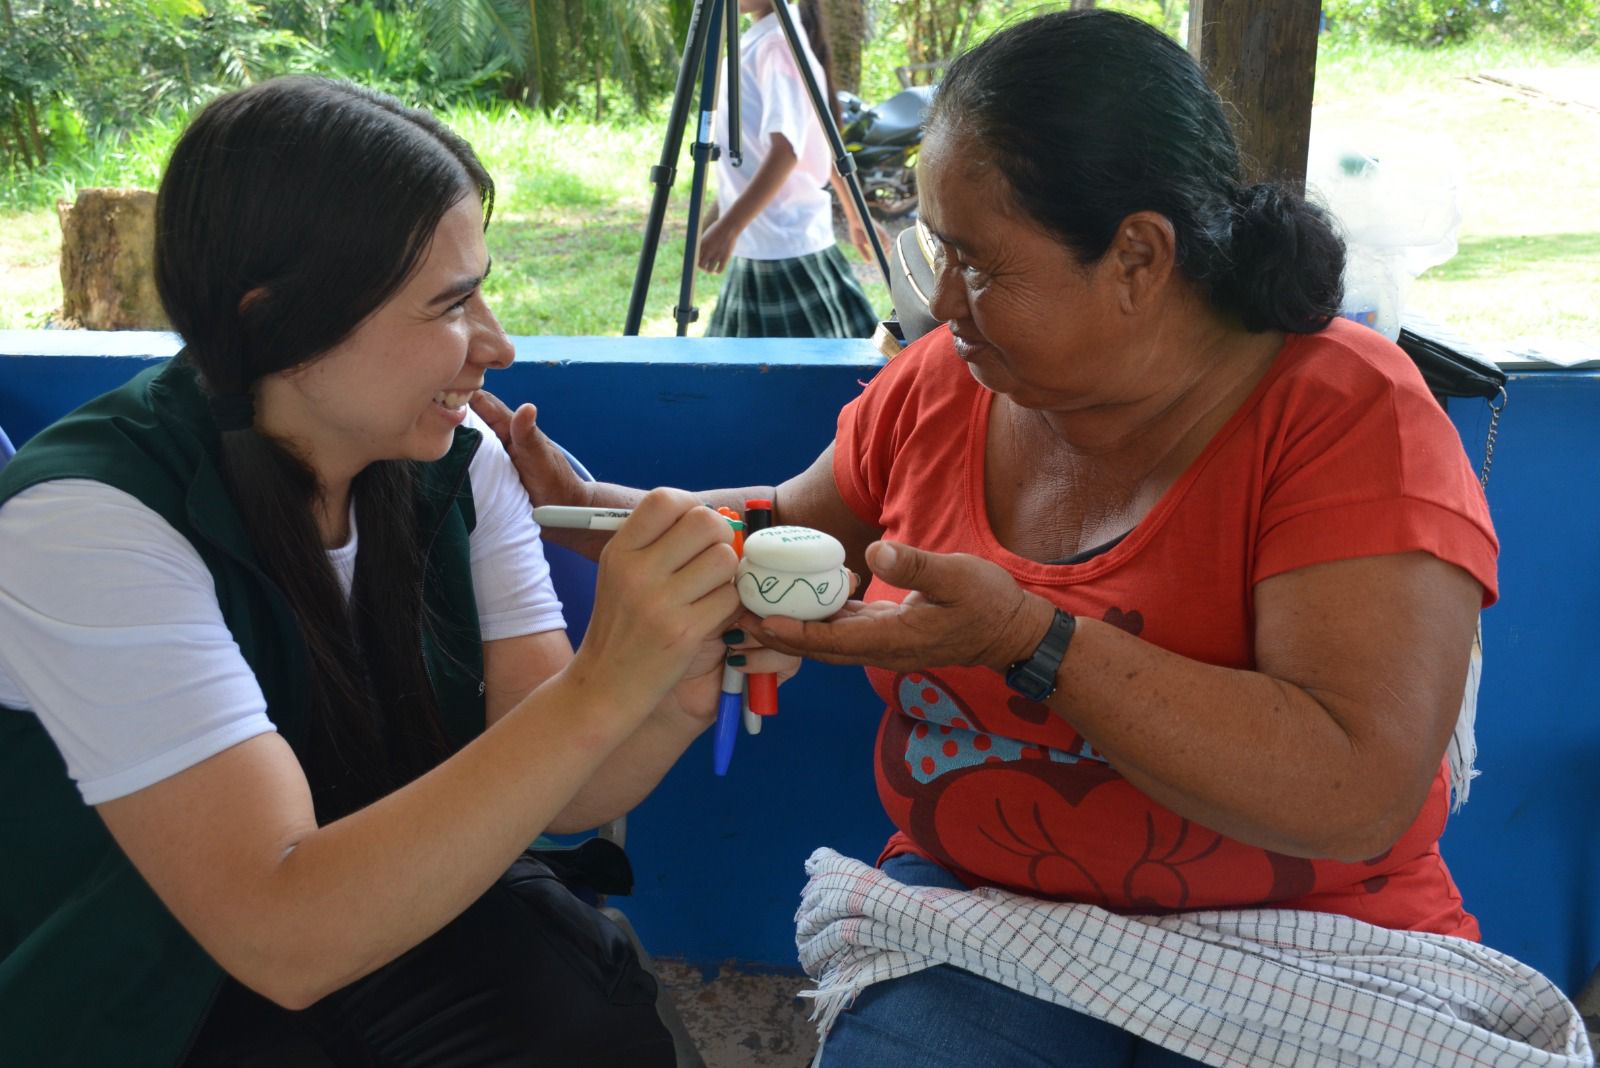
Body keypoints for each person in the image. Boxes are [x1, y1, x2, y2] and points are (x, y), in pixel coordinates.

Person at [480, 11, 1593, 1067]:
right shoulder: (947, 383)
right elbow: (784, 532)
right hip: (982, 929)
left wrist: (1027, 637)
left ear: (1139, 259)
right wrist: (587, 505)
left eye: (983, 264)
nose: (944, 300)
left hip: (1308, 942)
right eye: (935, 253)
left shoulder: (1342, 413)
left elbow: (1356, 792)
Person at [0, 75, 797, 1067]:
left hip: (379, 908)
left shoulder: (460, 462)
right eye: (452, 304)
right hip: (150, 989)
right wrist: (605, 679)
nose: (497, 345)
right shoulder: (87, 522)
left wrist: (673, 682)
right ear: (276, 322)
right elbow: (280, 936)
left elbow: (555, 792)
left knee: (583, 1010)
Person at [696, 0, 882, 338]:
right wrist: (719, 215)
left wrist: (728, 228)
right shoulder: (760, 41)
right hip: (766, 240)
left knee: (796, 379)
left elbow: (788, 152)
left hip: (783, 243)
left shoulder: (777, 45)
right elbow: (773, 152)